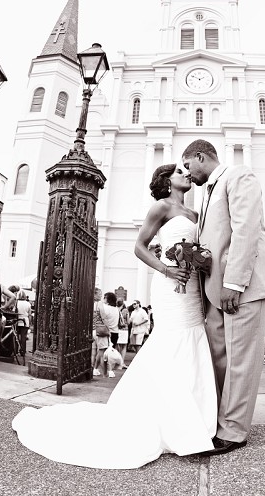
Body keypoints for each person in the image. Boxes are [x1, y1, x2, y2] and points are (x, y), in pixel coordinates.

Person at [12, 163, 216, 468]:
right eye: (178, 172)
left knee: (193, 339)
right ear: (166, 181)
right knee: (171, 342)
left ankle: (194, 420)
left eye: (186, 171)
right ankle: (180, 426)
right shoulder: (161, 207)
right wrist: (165, 268)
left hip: (191, 288)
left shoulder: (196, 214)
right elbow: (139, 246)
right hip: (170, 284)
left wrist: (198, 262)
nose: (186, 174)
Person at [182, 139, 265, 456]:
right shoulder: (207, 191)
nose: (187, 173)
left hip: (243, 289)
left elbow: (246, 230)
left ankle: (234, 432)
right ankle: (219, 422)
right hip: (216, 294)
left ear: (200, 157)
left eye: (187, 166)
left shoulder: (238, 176)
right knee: (219, 360)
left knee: (240, 362)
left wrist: (234, 284)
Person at [91, 290, 117, 377]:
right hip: (101, 330)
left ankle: (94, 369)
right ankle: (107, 371)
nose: (101, 297)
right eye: (100, 294)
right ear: (95, 294)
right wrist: (108, 330)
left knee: (95, 351)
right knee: (104, 352)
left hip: (93, 329)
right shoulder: (100, 304)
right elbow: (104, 317)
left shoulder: (91, 303)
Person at [115, 299, 130, 365]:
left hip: (117, 329)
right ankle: (122, 362)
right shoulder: (126, 311)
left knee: (117, 346)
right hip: (124, 330)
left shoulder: (115, 310)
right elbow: (128, 322)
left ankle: (116, 361)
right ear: (123, 304)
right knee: (124, 346)